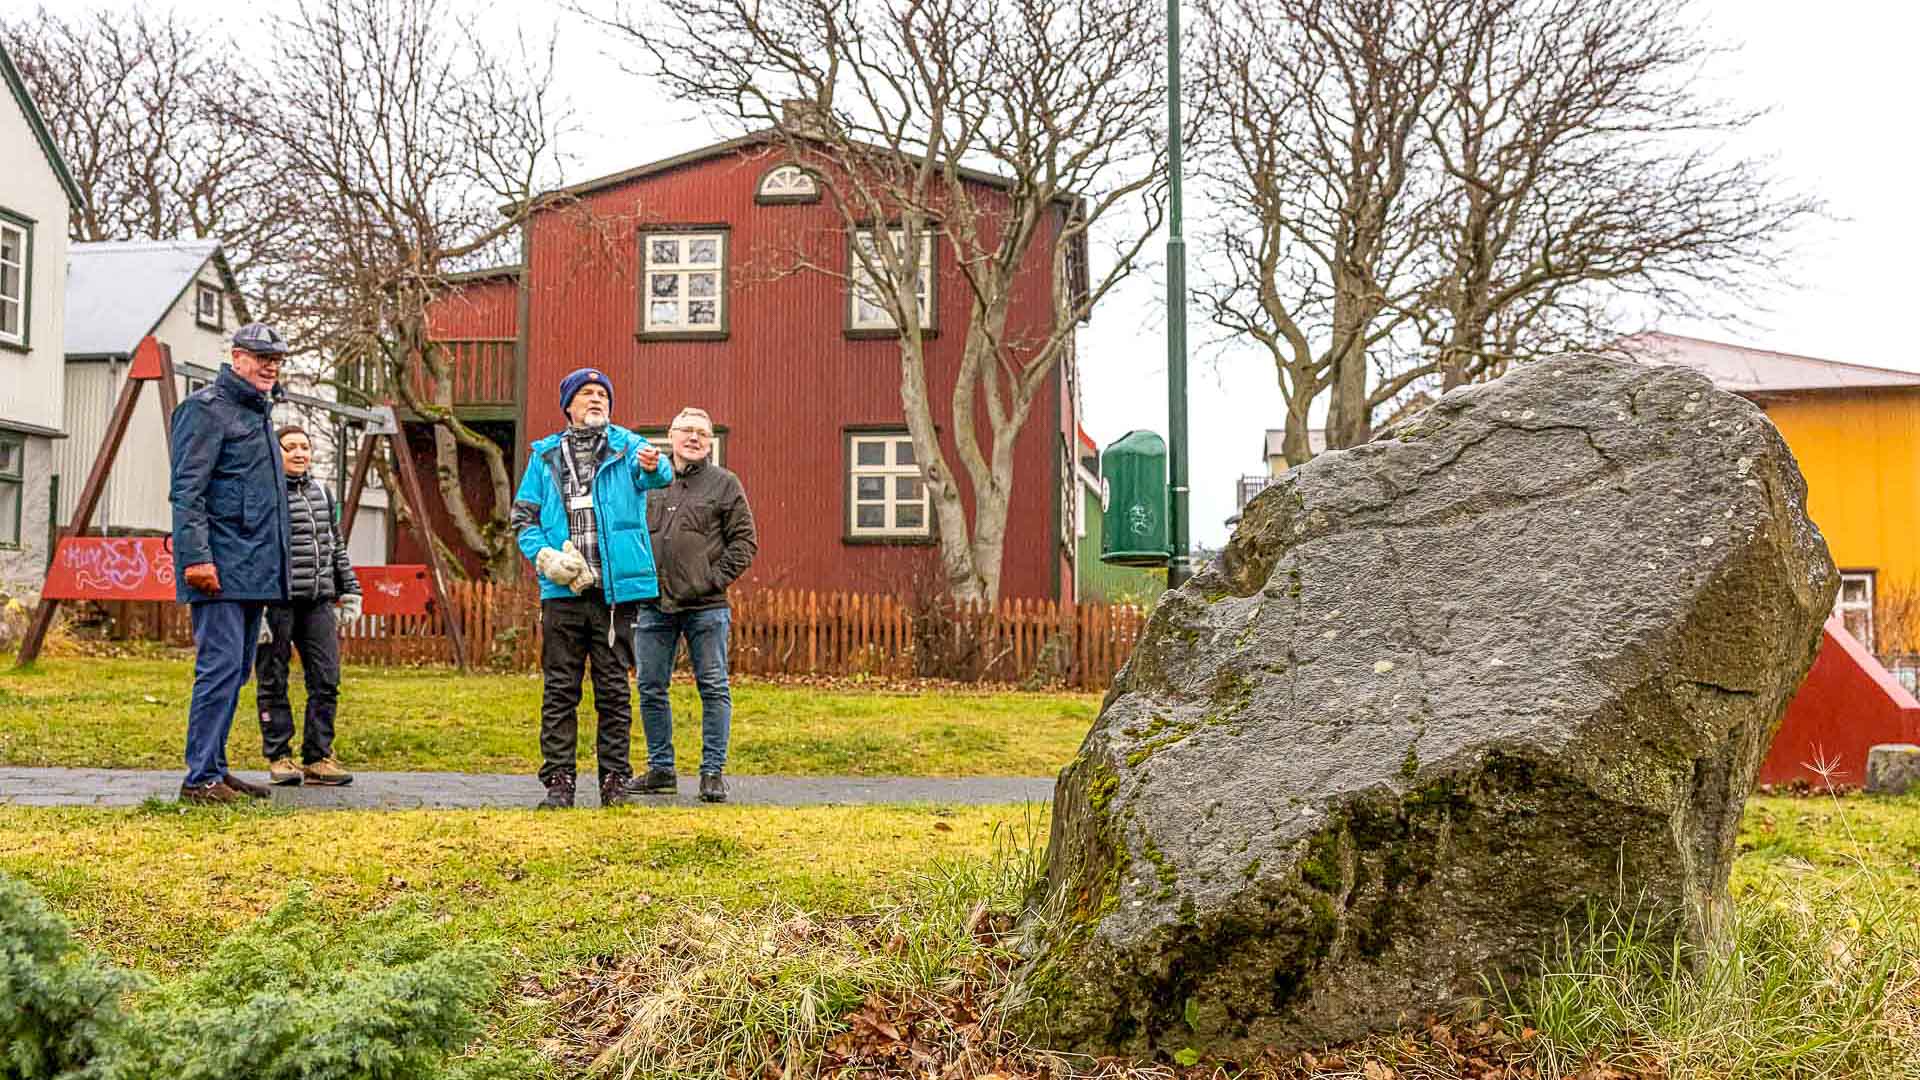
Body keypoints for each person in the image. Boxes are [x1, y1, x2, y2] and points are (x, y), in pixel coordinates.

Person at [510, 368, 673, 809]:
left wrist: (656, 465)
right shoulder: (543, 456)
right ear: (568, 406)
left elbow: (660, 475)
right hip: (562, 594)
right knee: (560, 689)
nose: (596, 400)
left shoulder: (629, 447)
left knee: (613, 690)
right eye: (586, 394)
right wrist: (546, 558)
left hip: (614, 595)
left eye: (602, 394)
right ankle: (559, 783)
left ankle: (614, 784)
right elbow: (523, 518)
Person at [167, 322, 293, 805]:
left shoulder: (257, 414)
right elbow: (187, 492)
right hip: (219, 568)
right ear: (237, 357)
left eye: (276, 359)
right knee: (218, 670)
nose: (269, 366)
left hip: (254, 570)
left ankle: (215, 769)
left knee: (237, 671)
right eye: (261, 357)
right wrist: (196, 558)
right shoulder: (205, 410)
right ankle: (199, 778)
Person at [633, 407, 757, 804]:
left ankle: (712, 773)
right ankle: (661, 770)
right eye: (686, 430)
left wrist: (711, 580)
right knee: (651, 686)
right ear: (670, 436)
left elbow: (744, 543)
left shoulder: (725, 484)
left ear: (710, 441)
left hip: (706, 607)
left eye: (701, 433)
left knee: (714, 686)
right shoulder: (650, 483)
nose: (693, 437)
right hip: (653, 604)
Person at [255, 425, 362, 787]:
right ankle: (279, 757)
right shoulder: (265, 494)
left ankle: (318, 757)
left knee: (327, 678)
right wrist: (257, 610)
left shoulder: (321, 492)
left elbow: (336, 545)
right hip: (276, 600)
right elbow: (255, 549)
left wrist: (350, 590)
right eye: (290, 448)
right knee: (274, 679)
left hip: (317, 600)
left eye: (305, 447)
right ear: (275, 452)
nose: (299, 453)